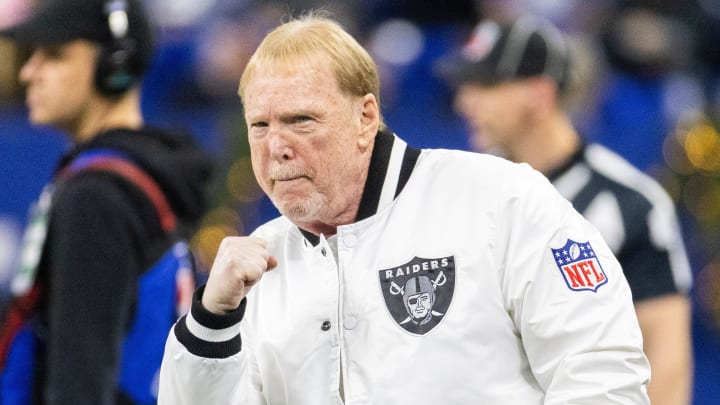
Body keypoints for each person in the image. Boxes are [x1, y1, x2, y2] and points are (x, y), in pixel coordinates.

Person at [158, 11, 651, 404]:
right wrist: (210, 322)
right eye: (259, 125)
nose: (275, 147)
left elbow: (601, 368)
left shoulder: (500, 199)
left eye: (300, 119)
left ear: (365, 117)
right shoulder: (257, 268)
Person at [438, 16, 694, 405]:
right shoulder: (461, 192)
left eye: (485, 85)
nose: (464, 101)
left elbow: (665, 359)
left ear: (538, 94)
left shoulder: (631, 203)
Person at [0, 0, 213, 403]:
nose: (29, 72)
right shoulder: (140, 175)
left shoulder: (95, 197)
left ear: (114, 67)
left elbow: (80, 384)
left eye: (54, 55)